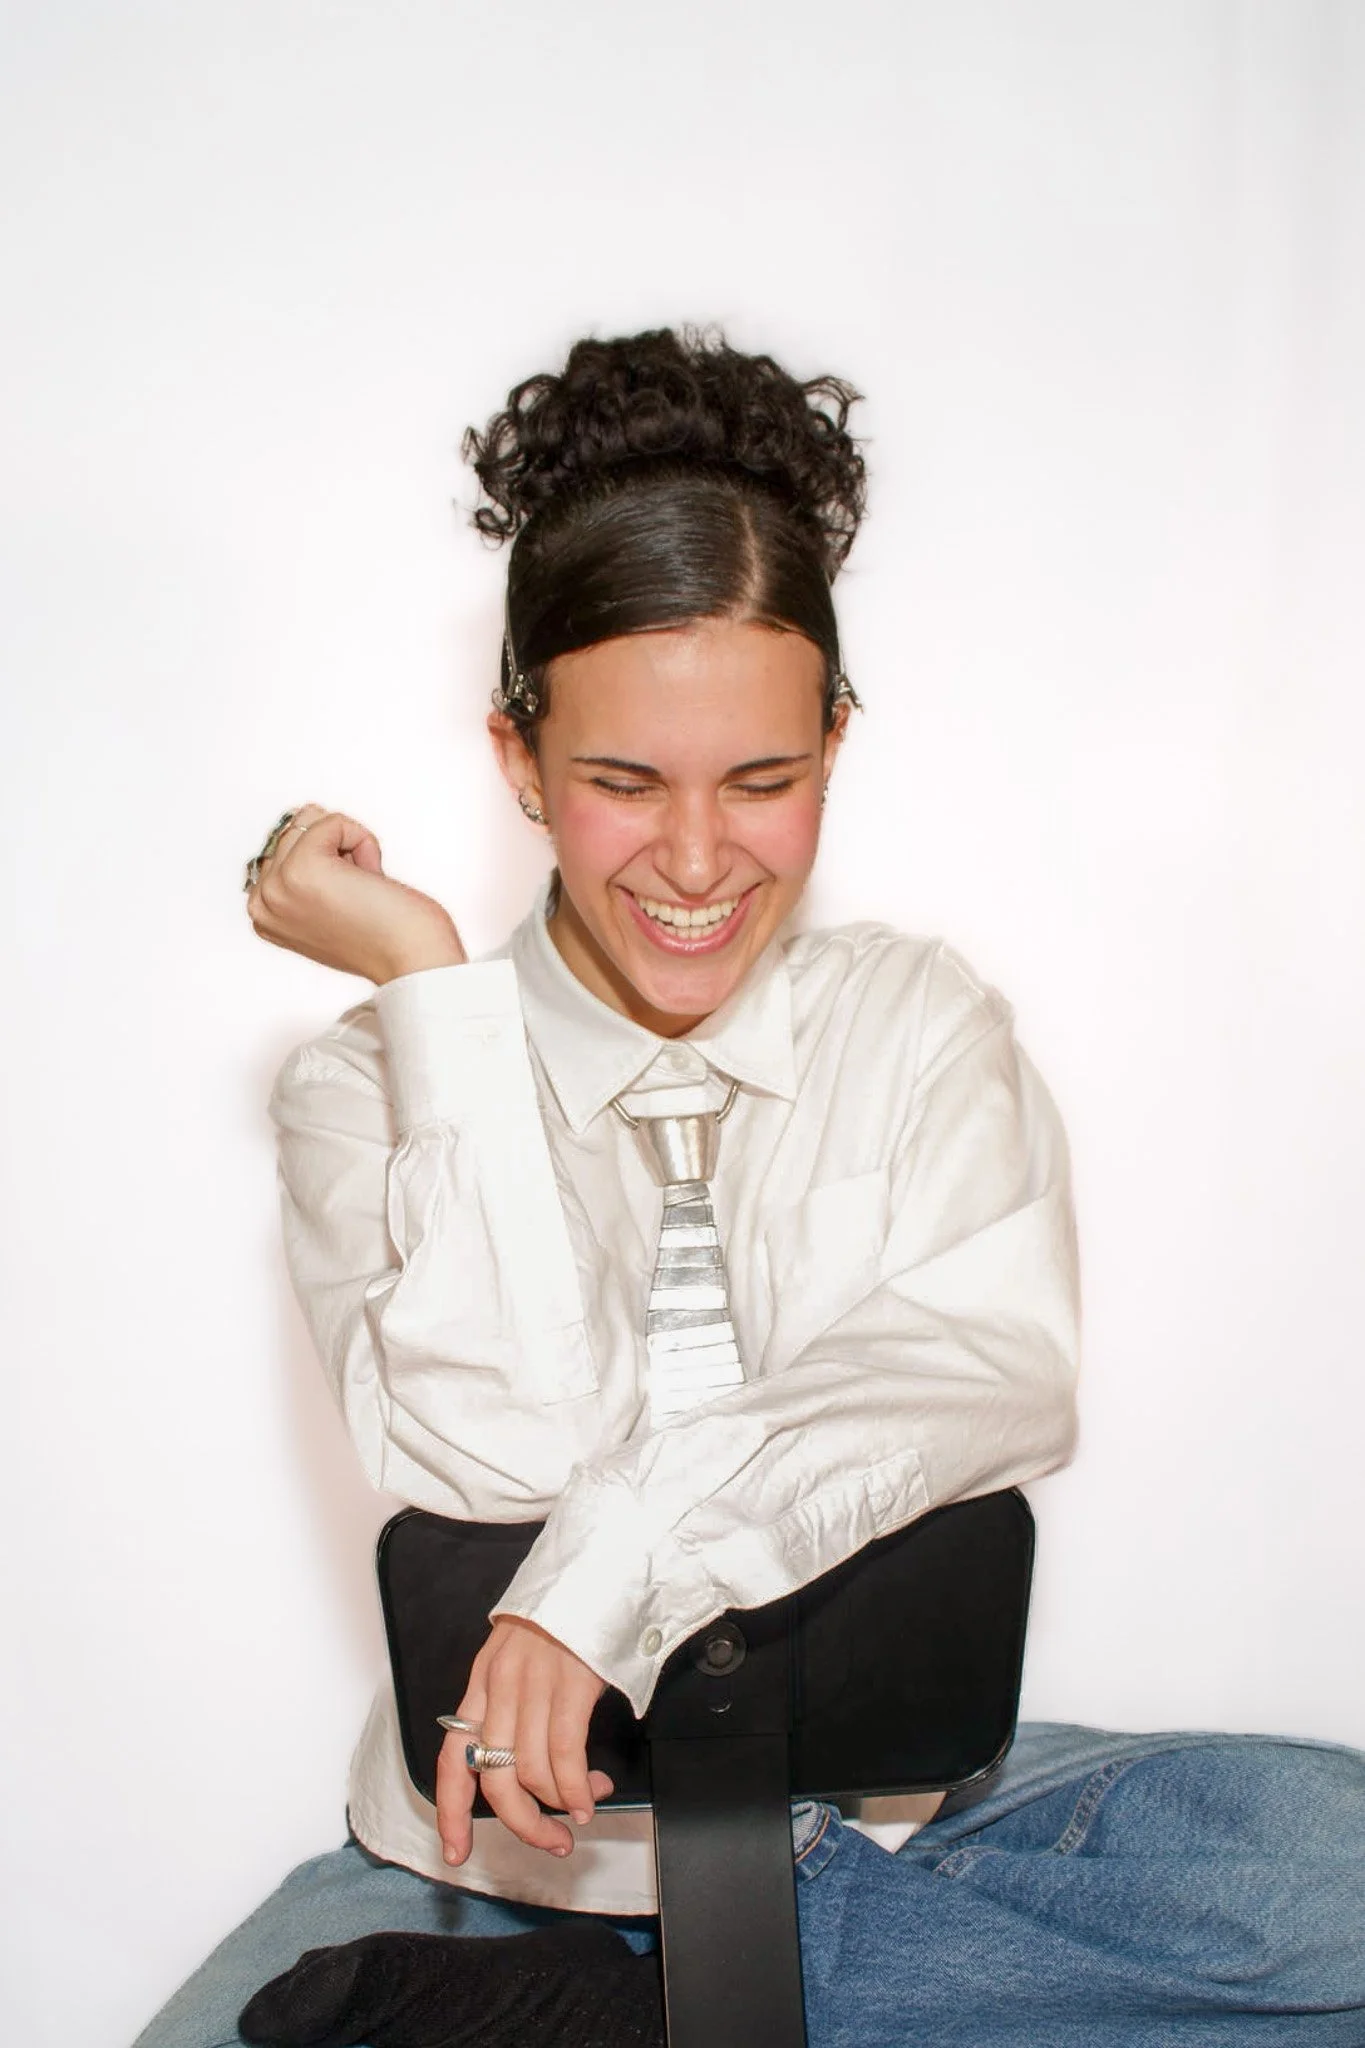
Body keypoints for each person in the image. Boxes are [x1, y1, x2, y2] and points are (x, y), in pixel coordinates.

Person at [135, 329, 1365, 2048]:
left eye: (764, 782)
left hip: (905, 1845)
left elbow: (973, 1370)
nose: (700, 862)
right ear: (516, 758)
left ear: (837, 747)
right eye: (622, 782)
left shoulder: (924, 1031)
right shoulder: (369, 1085)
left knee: (1339, 1875)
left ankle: (734, 2009)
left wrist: (618, 1562)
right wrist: (429, 988)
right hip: (499, 1880)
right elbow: (501, 1470)